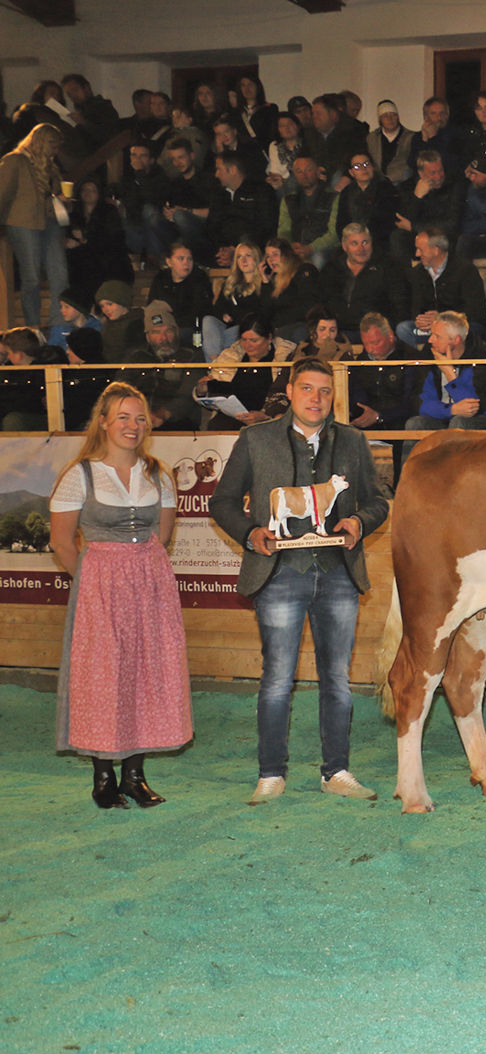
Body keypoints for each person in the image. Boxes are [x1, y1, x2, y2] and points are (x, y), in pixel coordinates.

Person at [209, 357, 389, 803]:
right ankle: (271, 772)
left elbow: (379, 499)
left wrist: (359, 523)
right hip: (278, 575)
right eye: (307, 388)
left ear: (334, 396)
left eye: (325, 391)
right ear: (290, 391)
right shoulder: (255, 439)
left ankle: (337, 771)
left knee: (338, 680)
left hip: (339, 576)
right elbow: (224, 501)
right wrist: (251, 533)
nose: (316, 398)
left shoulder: (352, 441)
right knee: (276, 680)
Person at [48, 382, 192, 809]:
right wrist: (94, 580)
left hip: (149, 585)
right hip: (100, 588)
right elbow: (61, 542)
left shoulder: (158, 475)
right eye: (124, 417)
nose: (133, 426)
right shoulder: (81, 474)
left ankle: (135, 775)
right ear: (105, 422)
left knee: (146, 674)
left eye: (140, 417)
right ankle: (103, 777)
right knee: (103, 677)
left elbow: (161, 535)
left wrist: (139, 574)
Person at [0, 124, 70, 329]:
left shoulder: (51, 167)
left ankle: (58, 324)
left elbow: (53, 196)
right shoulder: (15, 161)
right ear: (42, 142)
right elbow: (2, 193)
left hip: (50, 222)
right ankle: (32, 327)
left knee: (60, 273)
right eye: (53, 145)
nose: (55, 151)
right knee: (31, 276)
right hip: (23, 223)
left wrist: (62, 201)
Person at [194, 315, 296, 427]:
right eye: (244, 340)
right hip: (232, 416)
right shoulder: (231, 357)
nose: (248, 345)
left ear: (269, 338)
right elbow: (222, 390)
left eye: (254, 340)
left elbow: (282, 396)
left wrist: (265, 414)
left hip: (265, 417)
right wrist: (203, 389)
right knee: (216, 425)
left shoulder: (283, 360)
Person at [397, 226, 486, 349]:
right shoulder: (417, 273)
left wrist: (442, 317)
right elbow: (414, 306)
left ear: (436, 250)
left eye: (420, 249)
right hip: (431, 328)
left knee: (474, 329)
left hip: (460, 326)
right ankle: (420, 366)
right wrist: (420, 320)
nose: (417, 254)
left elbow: (476, 310)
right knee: (403, 329)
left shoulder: (466, 270)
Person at [119, 300, 207, 430]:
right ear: (148, 336)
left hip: (178, 424)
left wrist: (164, 414)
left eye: (169, 331)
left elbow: (187, 394)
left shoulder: (192, 356)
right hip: (136, 422)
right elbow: (121, 387)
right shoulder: (135, 356)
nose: (163, 338)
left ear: (177, 332)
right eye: (156, 332)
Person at [408, 312, 486, 432]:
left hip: (478, 420)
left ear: (456, 340)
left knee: (459, 422)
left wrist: (450, 374)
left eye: (437, 336)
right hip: (443, 415)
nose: (430, 340)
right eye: (431, 334)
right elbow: (420, 404)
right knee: (415, 424)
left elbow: (474, 407)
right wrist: (451, 410)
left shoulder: (479, 359)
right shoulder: (428, 356)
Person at [344, 313, 425, 431]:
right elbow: (356, 395)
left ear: (390, 336)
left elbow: (413, 402)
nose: (370, 349)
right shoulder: (360, 363)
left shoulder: (411, 359)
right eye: (365, 344)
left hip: (400, 423)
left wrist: (380, 416)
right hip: (366, 423)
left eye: (375, 343)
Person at [319, 222, 399, 333]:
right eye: (354, 243)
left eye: (365, 242)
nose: (361, 249)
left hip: (372, 331)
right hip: (337, 329)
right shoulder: (331, 268)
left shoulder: (387, 267)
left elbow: (398, 305)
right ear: (344, 246)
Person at [64, 178, 132, 306]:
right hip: (81, 260)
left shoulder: (108, 212)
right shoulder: (74, 214)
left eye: (93, 190)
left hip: (105, 260)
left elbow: (113, 240)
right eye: (85, 190)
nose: (88, 193)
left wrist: (84, 241)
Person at [204, 149, 279, 265]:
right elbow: (212, 225)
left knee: (247, 242)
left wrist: (236, 249)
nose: (216, 174)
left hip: (254, 247)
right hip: (224, 248)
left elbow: (267, 226)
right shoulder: (219, 195)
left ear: (233, 170)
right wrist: (223, 249)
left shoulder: (261, 190)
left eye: (219, 169)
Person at [275, 154, 341, 267]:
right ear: (294, 174)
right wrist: (291, 245)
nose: (304, 175)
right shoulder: (288, 200)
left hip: (324, 249)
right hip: (296, 249)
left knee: (317, 259)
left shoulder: (333, 197)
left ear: (317, 171)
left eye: (308, 170)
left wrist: (311, 248)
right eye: (299, 171)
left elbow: (334, 233)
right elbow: (283, 230)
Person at [334, 150, 399, 250]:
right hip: (353, 242)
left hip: (379, 242)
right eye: (357, 166)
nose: (363, 169)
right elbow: (341, 223)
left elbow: (387, 222)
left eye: (366, 164)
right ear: (351, 172)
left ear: (372, 167)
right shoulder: (346, 192)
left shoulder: (386, 188)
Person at [366, 99, 415, 187]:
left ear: (398, 117)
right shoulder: (371, 138)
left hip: (401, 182)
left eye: (393, 114)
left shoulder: (411, 137)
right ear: (380, 119)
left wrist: (391, 178)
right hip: (377, 183)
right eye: (385, 116)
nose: (390, 119)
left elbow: (410, 166)